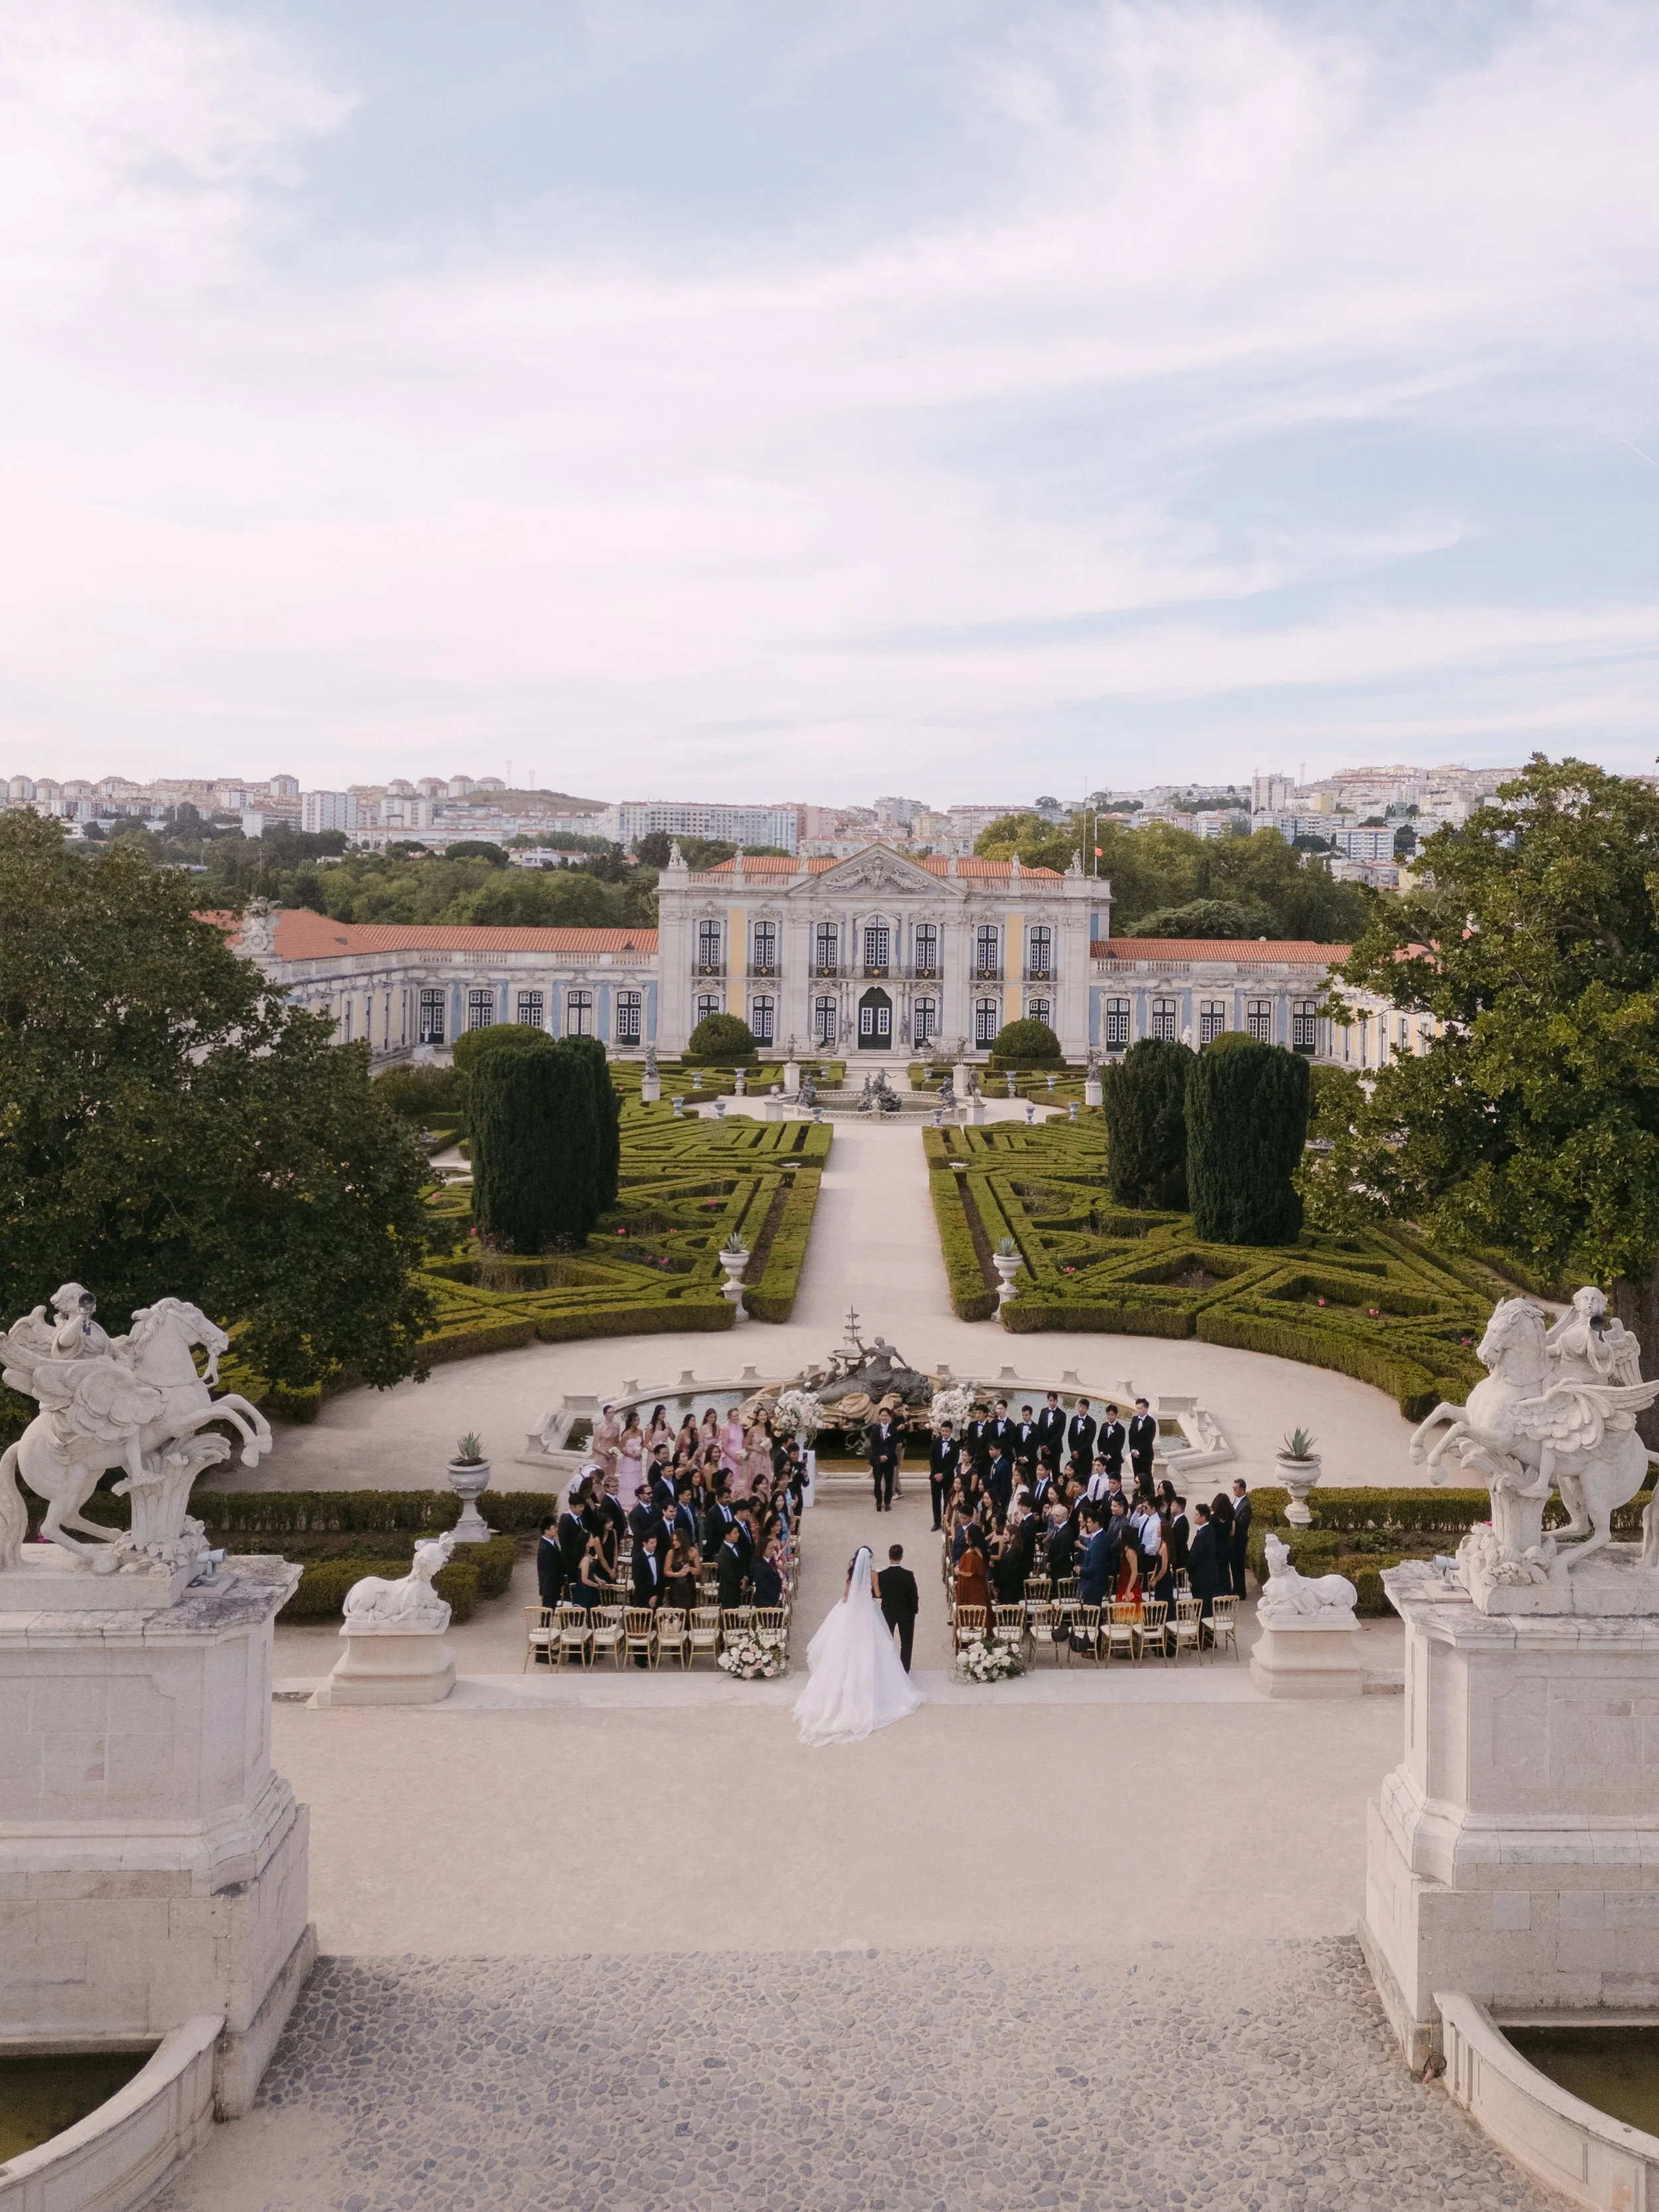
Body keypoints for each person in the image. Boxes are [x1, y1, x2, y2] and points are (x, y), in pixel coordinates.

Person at [793, 1546, 922, 1745]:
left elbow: (846, 1596)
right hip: (868, 1612)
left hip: (851, 1612)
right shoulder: (873, 1574)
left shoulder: (850, 1573)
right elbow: (878, 1595)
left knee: (846, 1647)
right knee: (874, 1647)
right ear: (869, 1559)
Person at [877, 1543, 920, 1673]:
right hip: (906, 1613)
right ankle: (904, 1671)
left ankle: (887, 1668)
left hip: (888, 1611)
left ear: (889, 1556)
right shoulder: (908, 1575)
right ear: (901, 1557)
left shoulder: (882, 1575)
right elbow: (914, 1594)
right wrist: (914, 1610)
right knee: (906, 1643)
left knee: (886, 1641)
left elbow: (879, 1593)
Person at [1187, 1500, 1226, 1623]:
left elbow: (1196, 1556)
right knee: (1205, 1610)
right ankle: (1205, 1638)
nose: (1194, 1517)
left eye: (1197, 1515)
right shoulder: (1207, 1530)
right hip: (1206, 1577)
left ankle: (1205, 1639)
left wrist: (1188, 1567)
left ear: (1203, 1517)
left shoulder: (1204, 1534)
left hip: (1203, 1578)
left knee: (1203, 1611)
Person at [928, 1421, 961, 1532]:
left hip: (947, 1477)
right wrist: (936, 1473)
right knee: (935, 1500)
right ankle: (936, 1522)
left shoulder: (955, 1445)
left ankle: (945, 1521)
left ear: (951, 1431)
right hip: (935, 1476)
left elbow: (954, 1463)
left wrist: (943, 1474)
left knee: (947, 1499)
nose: (944, 1433)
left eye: (947, 1431)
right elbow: (931, 1458)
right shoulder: (936, 1442)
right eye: (943, 1431)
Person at [954, 1525, 991, 1616]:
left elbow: (970, 1573)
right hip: (975, 1586)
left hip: (971, 1588)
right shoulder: (978, 1549)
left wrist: (959, 1572)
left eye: (967, 1534)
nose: (965, 1536)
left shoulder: (973, 1555)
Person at [868, 1409, 900, 1512]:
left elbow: (893, 1445)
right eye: (882, 1416)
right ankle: (878, 1501)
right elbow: (873, 1445)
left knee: (889, 1481)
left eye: (886, 1416)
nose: (884, 1417)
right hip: (877, 1459)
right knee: (877, 1482)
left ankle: (887, 1502)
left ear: (889, 1417)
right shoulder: (875, 1429)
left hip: (889, 1460)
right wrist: (879, 1457)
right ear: (879, 1417)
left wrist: (886, 1456)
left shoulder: (893, 1429)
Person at [662, 1527, 701, 1609]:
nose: (674, 1543)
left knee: (689, 1614)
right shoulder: (671, 1553)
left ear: (683, 1540)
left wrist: (690, 1569)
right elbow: (666, 1572)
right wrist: (677, 1574)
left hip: (689, 1587)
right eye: (673, 1540)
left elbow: (698, 1571)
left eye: (676, 1540)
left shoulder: (693, 1552)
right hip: (676, 1588)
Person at [1128, 1398, 1159, 1495]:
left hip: (1145, 1455)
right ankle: (1137, 1495)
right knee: (1136, 1476)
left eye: (1141, 1408)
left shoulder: (1151, 1422)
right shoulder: (1135, 1419)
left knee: (1147, 1476)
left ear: (1146, 1409)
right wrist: (1133, 1450)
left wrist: (1139, 1451)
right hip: (1134, 1455)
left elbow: (1149, 1440)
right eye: (1137, 1408)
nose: (1139, 1410)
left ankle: (1150, 1496)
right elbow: (1131, 1435)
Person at [1230, 1479, 1253, 1600]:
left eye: (1236, 1489)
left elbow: (1243, 1523)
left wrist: (1231, 1521)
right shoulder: (1237, 1501)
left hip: (1239, 1540)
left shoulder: (1246, 1505)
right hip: (1234, 1540)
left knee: (1239, 1565)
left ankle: (1241, 1592)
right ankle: (1236, 1587)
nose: (1234, 1491)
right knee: (1233, 1565)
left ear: (1242, 1489)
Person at [716, 1526, 748, 1611]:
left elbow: (742, 1563)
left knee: (735, 1617)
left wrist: (745, 1577)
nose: (738, 1535)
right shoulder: (723, 1552)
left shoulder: (736, 1547)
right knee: (729, 1619)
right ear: (727, 1536)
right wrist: (740, 1583)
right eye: (735, 1533)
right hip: (728, 1591)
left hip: (736, 1591)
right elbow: (727, 1572)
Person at [536, 1514, 563, 1610]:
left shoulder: (551, 1542)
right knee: (547, 1613)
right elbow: (551, 1568)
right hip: (549, 1586)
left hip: (553, 1585)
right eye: (554, 1527)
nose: (556, 1529)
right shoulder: (545, 1548)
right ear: (547, 1531)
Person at [1067, 1398, 1097, 1482]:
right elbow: (1070, 1436)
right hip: (1074, 1456)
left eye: (1083, 1407)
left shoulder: (1092, 1422)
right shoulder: (1074, 1419)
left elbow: (1089, 1441)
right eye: (1080, 1406)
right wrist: (1073, 1451)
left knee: (1085, 1480)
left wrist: (1078, 1452)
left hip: (1086, 1457)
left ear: (1087, 1409)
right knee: (1073, 1479)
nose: (1081, 1409)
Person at [1035, 1390, 1066, 1464]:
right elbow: (1039, 1429)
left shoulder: (1062, 1415)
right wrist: (1043, 1445)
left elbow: (1060, 1434)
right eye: (1050, 1400)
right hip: (1044, 1448)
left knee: (1055, 1470)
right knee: (1044, 1468)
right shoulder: (1043, 1411)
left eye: (1054, 1401)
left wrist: (1048, 1447)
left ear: (1057, 1401)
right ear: (1048, 1401)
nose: (1052, 1403)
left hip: (1055, 1448)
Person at [1098, 1404, 1126, 1480]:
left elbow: (1119, 1446)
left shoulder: (1121, 1429)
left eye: (1112, 1415)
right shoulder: (1104, 1426)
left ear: (1116, 1415)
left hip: (1115, 1461)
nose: (1110, 1416)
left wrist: (1109, 1456)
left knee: (1114, 1480)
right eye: (1109, 1414)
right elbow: (1099, 1441)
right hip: (1104, 1460)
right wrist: (1101, 1453)